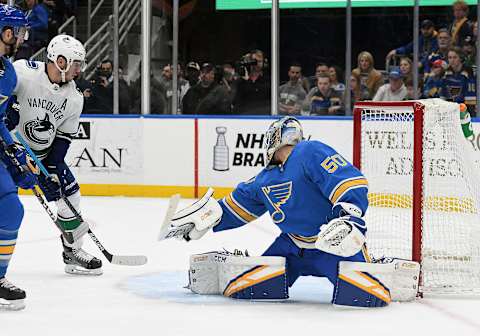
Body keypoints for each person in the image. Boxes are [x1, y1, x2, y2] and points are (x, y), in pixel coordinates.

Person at [170, 116, 394, 308]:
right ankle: (231, 265)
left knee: (367, 296)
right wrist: (201, 220)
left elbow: (348, 180)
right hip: (290, 248)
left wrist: (349, 215)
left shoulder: (308, 151)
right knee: (245, 288)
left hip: (331, 246)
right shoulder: (263, 179)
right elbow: (233, 207)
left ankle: (381, 266)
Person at [6, 34, 103, 276]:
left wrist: (51, 172)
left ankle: (72, 250)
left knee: (71, 194)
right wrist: (9, 108)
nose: (80, 70)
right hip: (7, 151)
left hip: (40, 156)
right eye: (77, 63)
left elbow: (61, 142)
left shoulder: (74, 98)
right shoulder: (23, 72)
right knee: (4, 201)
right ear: (61, 61)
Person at [0, 4, 37, 311]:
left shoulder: (8, 72)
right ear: (6, 32)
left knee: (12, 209)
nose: (22, 38)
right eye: (20, 32)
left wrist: (12, 148)